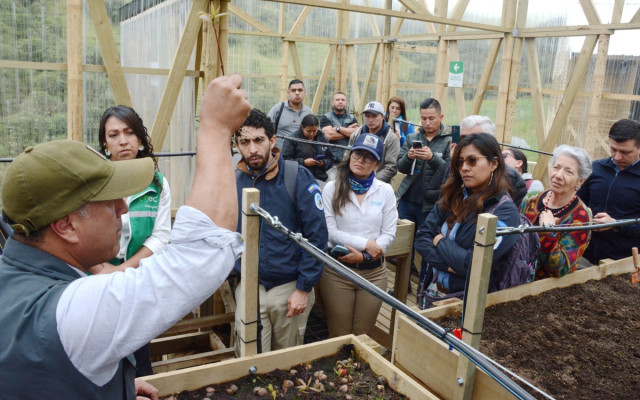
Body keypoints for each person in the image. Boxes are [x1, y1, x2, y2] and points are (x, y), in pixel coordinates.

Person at [0, 75, 250, 399]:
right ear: (66, 226)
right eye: (109, 201)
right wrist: (216, 128)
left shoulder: (16, 281)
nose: (122, 208)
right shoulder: (70, 314)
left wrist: (111, 386)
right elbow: (199, 255)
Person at [85, 105, 172, 377]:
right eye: (114, 134)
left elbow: (160, 236)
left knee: (138, 354)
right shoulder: (92, 184)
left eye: (129, 132)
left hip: (137, 283)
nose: (123, 140)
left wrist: (122, 270)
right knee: (100, 352)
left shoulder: (157, 184)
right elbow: (80, 234)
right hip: (95, 283)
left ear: (140, 140)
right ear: (104, 142)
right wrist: (101, 270)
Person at [234, 108, 328, 353]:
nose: (252, 149)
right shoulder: (233, 181)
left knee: (285, 365)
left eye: (259, 140)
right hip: (250, 288)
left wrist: (303, 288)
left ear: (272, 141)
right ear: (236, 145)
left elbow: (316, 237)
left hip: (289, 290)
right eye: (245, 141)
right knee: (247, 362)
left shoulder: (297, 177)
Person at [415, 133, 521, 295]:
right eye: (460, 162)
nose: (464, 167)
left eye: (472, 160)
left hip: (468, 302)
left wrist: (440, 241)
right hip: (435, 291)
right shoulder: (452, 195)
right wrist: (447, 266)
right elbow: (422, 238)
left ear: (493, 164)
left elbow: (473, 264)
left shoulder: (505, 212)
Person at [319, 133, 397, 337]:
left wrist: (366, 256)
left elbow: (388, 233)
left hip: (374, 273)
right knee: (339, 332)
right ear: (350, 155)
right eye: (357, 154)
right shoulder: (331, 188)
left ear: (377, 165)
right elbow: (331, 232)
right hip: (338, 273)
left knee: (363, 334)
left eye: (368, 157)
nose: (360, 160)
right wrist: (366, 244)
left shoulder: (385, 191)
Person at [395, 98, 451, 288]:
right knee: (404, 245)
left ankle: (424, 287)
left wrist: (432, 158)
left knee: (426, 246)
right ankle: (403, 284)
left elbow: (451, 172)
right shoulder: (412, 138)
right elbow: (399, 166)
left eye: (431, 118)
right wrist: (409, 157)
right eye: (423, 118)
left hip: (431, 203)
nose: (427, 123)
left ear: (441, 117)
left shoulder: (449, 141)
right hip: (408, 199)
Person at [424, 115, 527, 210]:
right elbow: (434, 196)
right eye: (462, 138)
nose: (466, 143)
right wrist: (455, 164)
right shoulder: (452, 165)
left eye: (473, 138)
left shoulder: (511, 178)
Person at [521, 145, 592, 278]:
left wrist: (548, 231)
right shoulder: (532, 198)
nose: (558, 175)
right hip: (515, 277)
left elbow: (560, 269)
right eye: (556, 167)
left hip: (546, 289)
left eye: (568, 172)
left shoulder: (581, 217)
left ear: (580, 181)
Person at [578, 118, 640, 265]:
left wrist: (616, 224)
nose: (617, 157)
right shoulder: (596, 168)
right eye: (613, 149)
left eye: (625, 152)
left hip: (626, 262)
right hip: (585, 255)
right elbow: (578, 203)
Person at [348, 101, 400, 183]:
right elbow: (347, 157)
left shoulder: (391, 139)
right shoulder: (357, 134)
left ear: (383, 116)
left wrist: (372, 181)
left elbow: (391, 167)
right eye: (367, 116)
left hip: (379, 185)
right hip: (353, 181)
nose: (370, 120)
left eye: (374, 116)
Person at [282, 114, 334, 185]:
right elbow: (285, 160)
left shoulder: (322, 137)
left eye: (314, 131)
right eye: (308, 131)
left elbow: (330, 158)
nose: (312, 134)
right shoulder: (292, 139)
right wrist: (303, 162)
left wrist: (323, 163)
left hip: (320, 179)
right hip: (299, 179)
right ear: (302, 127)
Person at [268, 79, 313, 150]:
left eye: (300, 90)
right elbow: (266, 129)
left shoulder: (309, 112)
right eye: (293, 90)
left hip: (300, 154)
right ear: (288, 92)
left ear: (305, 92)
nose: (297, 93)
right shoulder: (278, 109)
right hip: (280, 153)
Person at [320, 91, 359, 163]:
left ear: (346, 103)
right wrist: (348, 130)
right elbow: (329, 135)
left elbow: (356, 134)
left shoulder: (352, 118)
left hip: (348, 160)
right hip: (331, 160)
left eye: (343, 100)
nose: (340, 102)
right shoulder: (326, 117)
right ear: (332, 102)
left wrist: (339, 129)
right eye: (337, 100)